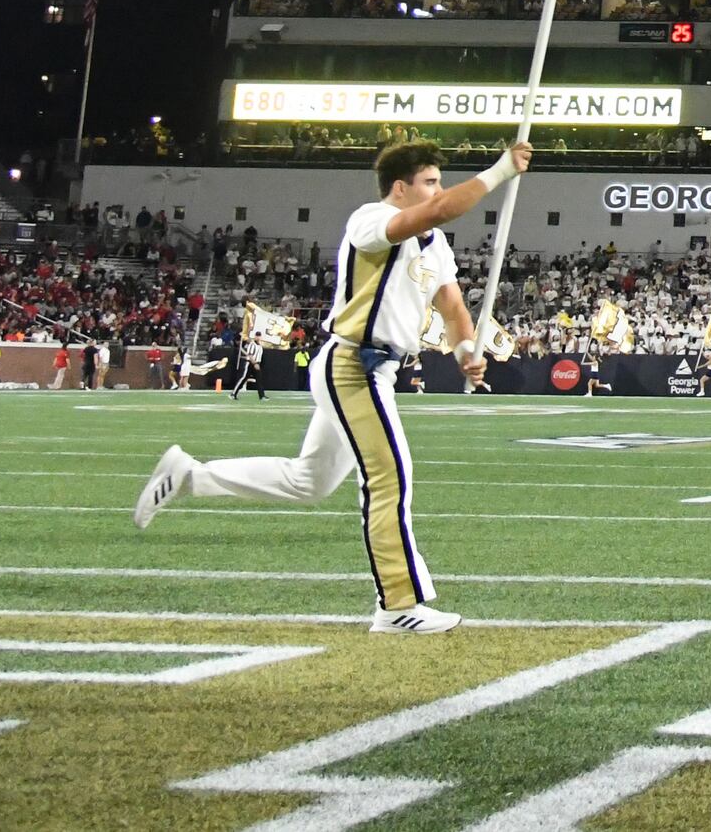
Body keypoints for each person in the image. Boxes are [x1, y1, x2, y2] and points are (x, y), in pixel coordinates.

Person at [132, 136, 528, 633]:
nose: (438, 189)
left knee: (309, 481)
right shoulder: (370, 220)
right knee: (389, 478)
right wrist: (498, 173)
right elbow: (439, 212)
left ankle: (190, 475)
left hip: (378, 368)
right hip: (353, 367)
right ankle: (397, 604)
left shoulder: (434, 244)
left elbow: (451, 307)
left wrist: (466, 350)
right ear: (401, 188)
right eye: (430, 181)